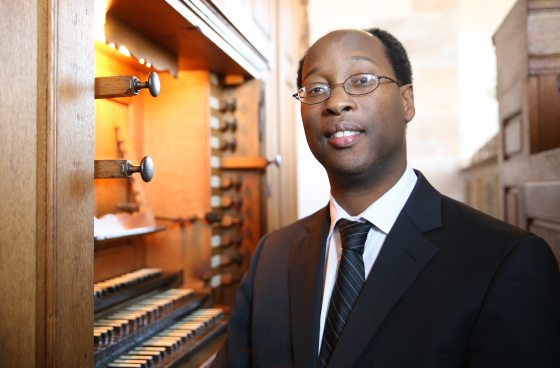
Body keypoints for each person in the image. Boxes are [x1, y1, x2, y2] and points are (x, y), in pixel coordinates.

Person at [213, 28, 560, 367]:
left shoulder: (506, 260)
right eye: (317, 88)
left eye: (362, 80)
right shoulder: (271, 256)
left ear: (407, 101)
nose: (336, 103)